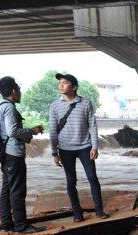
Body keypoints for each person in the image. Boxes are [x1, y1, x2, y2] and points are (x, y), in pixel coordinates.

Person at [49, 73, 108, 222]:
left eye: (65, 82)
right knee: (71, 181)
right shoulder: (55, 105)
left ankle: (99, 211)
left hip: (85, 147)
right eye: (60, 82)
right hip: (65, 148)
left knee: (92, 178)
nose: (61, 85)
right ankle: (77, 214)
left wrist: (95, 146)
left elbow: (92, 126)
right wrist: (54, 152)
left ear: (74, 87)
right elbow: (52, 129)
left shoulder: (86, 103)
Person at [0, 76, 45, 233]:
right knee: (17, 190)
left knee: (7, 189)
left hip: (5, 154)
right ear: (14, 91)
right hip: (13, 154)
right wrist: (32, 131)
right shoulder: (9, 107)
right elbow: (12, 131)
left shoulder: (0, 106)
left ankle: (7, 224)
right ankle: (21, 226)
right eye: (19, 89)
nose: (20, 92)